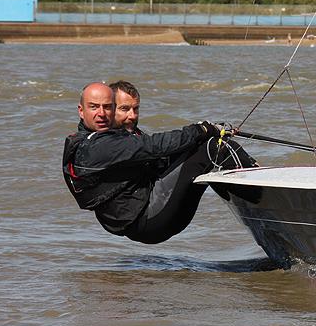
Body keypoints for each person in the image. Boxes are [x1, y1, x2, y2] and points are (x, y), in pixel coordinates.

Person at [62, 82, 255, 244]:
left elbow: (162, 157)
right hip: (149, 219)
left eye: (108, 107)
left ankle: (253, 207)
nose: (102, 113)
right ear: (81, 111)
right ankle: (262, 196)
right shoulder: (98, 146)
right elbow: (154, 145)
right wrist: (201, 130)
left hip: (149, 219)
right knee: (214, 147)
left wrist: (204, 133)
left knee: (202, 150)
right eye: (94, 107)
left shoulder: (112, 139)